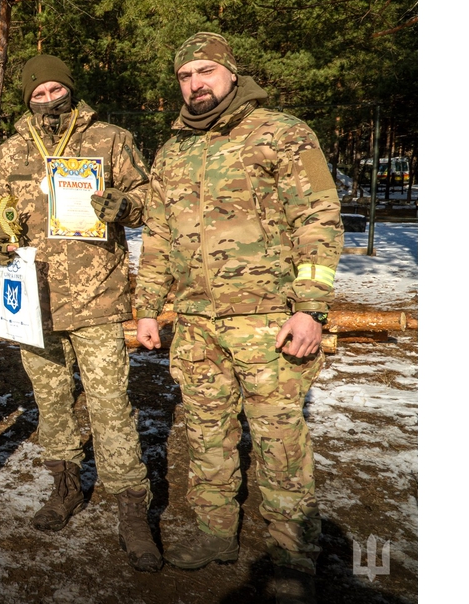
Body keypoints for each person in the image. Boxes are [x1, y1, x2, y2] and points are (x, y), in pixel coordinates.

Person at [135, 32, 342, 602]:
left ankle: (293, 554)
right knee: (207, 431)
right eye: (184, 76)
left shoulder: (281, 133)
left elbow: (318, 219)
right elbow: (156, 236)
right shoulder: (173, 150)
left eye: (204, 71)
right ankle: (214, 531)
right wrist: (147, 308)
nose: (194, 84)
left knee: (279, 439)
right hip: (197, 322)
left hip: (269, 317)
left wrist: (311, 309)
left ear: (229, 72)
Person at [0, 54, 161, 572]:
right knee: (51, 400)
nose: (48, 98)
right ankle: (64, 488)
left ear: (70, 90)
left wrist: (121, 206)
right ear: (27, 99)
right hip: (31, 299)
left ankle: (131, 509)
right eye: (38, 93)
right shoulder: (11, 149)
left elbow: (150, 201)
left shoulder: (110, 139)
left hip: (97, 296)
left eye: (56, 89)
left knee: (109, 404)